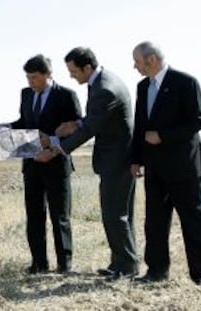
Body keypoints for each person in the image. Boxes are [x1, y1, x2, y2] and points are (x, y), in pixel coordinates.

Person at [36, 47, 139, 281]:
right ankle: (122, 262)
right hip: (116, 158)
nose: (71, 76)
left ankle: (127, 267)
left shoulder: (104, 88)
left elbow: (92, 128)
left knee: (115, 214)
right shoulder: (101, 81)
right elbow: (94, 119)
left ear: (87, 68)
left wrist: (55, 149)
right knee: (119, 213)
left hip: (117, 159)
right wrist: (77, 123)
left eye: (73, 71)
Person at [130, 41, 201, 287]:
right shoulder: (142, 87)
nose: (134, 66)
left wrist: (163, 136)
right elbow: (140, 125)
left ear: (151, 60)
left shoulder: (185, 82)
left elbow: (198, 120)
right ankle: (156, 271)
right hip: (154, 167)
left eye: (136, 61)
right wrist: (136, 158)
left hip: (184, 168)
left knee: (194, 222)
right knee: (155, 222)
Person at [10, 54, 82, 274]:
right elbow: (23, 123)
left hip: (57, 164)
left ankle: (64, 265)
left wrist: (52, 150)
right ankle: (39, 264)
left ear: (48, 75)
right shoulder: (26, 94)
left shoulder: (67, 96)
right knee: (34, 215)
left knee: (60, 216)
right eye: (27, 78)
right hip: (31, 165)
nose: (30, 82)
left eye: (34, 77)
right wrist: (1, 129)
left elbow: (77, 131)